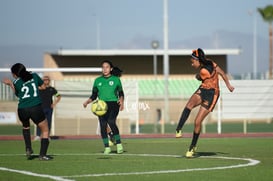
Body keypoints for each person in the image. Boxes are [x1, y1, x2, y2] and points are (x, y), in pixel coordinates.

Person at [175, 48, 235, 158]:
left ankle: (192, 146)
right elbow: (221, 72)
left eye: (193, 62)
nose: (192, 64)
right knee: (189, 105)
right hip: (203, 89)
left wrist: (197, 76)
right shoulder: (210, 62)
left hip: (212, 94)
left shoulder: (203, 71)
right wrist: (228, 85)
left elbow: (201, 76)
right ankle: (178, 129)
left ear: (198, 60)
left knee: (197, 122)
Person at [2, 63, 52, 160]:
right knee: (45, 130)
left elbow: (18, 94)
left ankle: (28, 148)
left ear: (16, 74)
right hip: (35, 107)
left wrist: (10, 84)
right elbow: (43, 87)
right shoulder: (34, 75)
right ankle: (42, 155)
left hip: (22, 109)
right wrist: (33, 89)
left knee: (26, 127)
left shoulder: (16, 82)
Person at [83, 60, 125, 154]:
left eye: (107, 67)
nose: (105, 69)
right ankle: (107, 147)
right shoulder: (97, 80)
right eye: (103, 67)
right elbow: (94, 95)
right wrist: (87, 101)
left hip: (113, 104)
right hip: (101, 106)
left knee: (111, 122)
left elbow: (121, 93)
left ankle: (119, 144)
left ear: (111, 69)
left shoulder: (116, 79)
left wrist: (121, 101)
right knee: (103, 126)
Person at [34, 75, 61, 141]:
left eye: (47, 80)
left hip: (49, 108)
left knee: (48, 122)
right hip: (40, 108)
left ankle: (47, 136)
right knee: (39, 122)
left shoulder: (51, 89)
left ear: (49, 81)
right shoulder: (38, 89)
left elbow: (59, 96)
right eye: (44, 80)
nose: (46, 81)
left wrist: (54, 104)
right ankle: (38, 135)